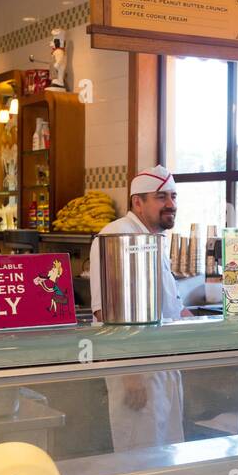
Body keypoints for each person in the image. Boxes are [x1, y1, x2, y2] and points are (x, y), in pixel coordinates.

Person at [88, 165, 191, 451]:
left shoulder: (155, 239)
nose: (171, 204)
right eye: (161, 197)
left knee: (169, 449)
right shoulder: (116, 236)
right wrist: (130, 373)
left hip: (165, 364)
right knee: (139, 452)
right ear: (137, 202)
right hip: (136, 371)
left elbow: (172, 305)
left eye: (173, 196)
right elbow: (105, 313)